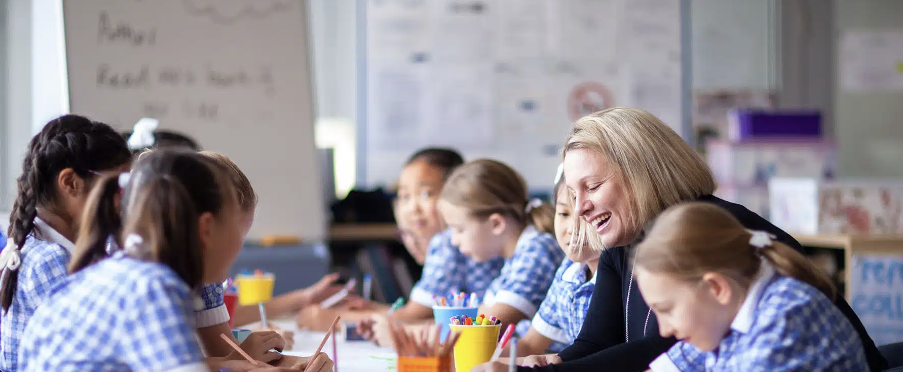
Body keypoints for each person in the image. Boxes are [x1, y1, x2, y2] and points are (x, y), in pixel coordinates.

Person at [472, 107, 886, 372]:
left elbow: (669, 343)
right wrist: (543, 364)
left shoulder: (706, 232)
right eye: (573, 194)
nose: (580, 208)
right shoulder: (622, 240)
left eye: (592, 186)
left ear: (642, 173)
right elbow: (600, 342)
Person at [18, 149, 333, 372]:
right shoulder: (153, 287)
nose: (239, 249)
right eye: (237, 234)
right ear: (206, 228)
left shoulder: (133, 271)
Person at [637, 202, 868, 371]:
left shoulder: (784, 320)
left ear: (717, 288)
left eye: (666, 309)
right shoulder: (721, 317)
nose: (664, 330)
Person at [0, 115, 133, 372]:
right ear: (71, 183)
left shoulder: (43, 244)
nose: (123, 201)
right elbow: (100, 353)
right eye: (118, 186)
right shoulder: (49, 260)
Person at [193, 151, 346, 358]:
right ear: (206, 228)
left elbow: (221, 354)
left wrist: (298, 363)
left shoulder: (207, 284)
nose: (235, 255)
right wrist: (242, 354)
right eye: (234, 242)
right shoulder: (161, 284)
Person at [509, 165, 599, 357]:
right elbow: (529, 345)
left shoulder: (623, 278)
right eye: (564, 214)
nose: (572, 228)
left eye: (586, 214)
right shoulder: (569, 270)